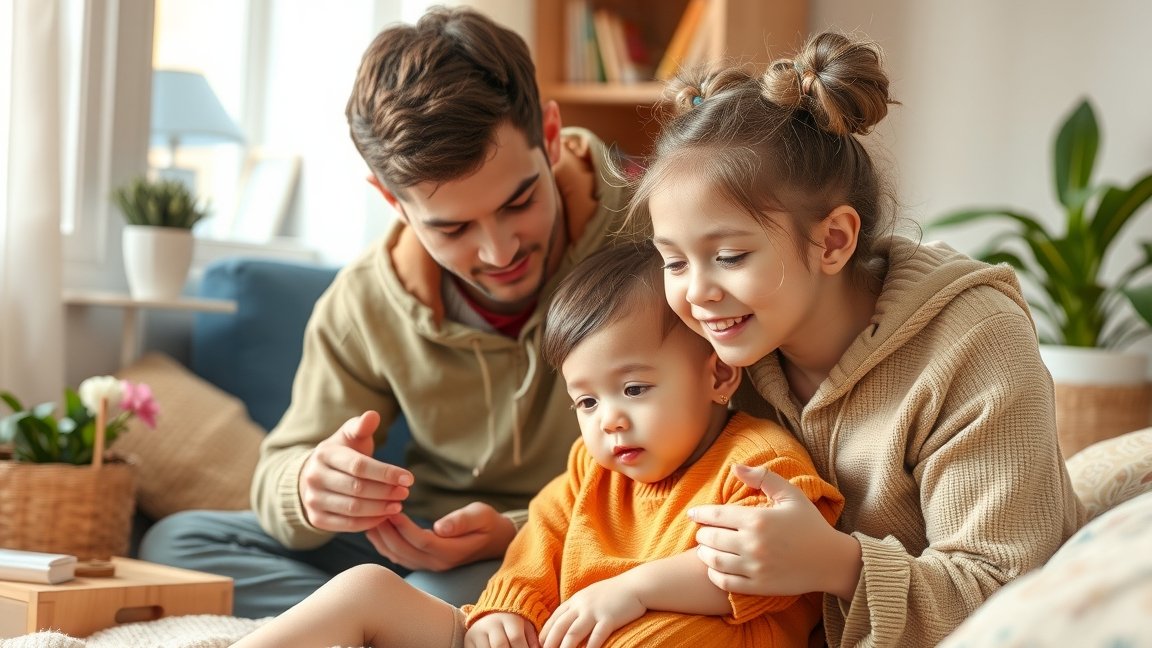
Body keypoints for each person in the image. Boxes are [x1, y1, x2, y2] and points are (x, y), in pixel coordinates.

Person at [138, 5, 634, 618]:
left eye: (520, 200)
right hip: (426, 542)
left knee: (429, 595)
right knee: (177, 543)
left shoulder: (650, 239)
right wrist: (310, 487)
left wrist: (518, 528)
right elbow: (279, 470)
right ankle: (395, 622)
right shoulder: (365, 302)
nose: (498, 251)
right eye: (450, 227)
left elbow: (708, 452)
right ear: (389, 199)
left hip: (583, 532)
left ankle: (396, 617)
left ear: (551, 138)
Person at [627, 32, 1087, 646]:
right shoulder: (715, 344)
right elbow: (640, 488)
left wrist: (835, 565)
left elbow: (1006, 591)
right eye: (674, 262)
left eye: (730, 255)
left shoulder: (975, 345)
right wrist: (531, 542)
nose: (697, 293)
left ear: (834, 241)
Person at [233, 242, 845, 648]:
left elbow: (774, 570)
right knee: (365, 586)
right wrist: (508, 608)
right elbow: (539, 542)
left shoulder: (758, 462)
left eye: (633, 388)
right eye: (587, 401)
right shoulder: (590, 469)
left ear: (717, 375)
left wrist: (636, 589)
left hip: (673, 637)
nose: (609, 420)